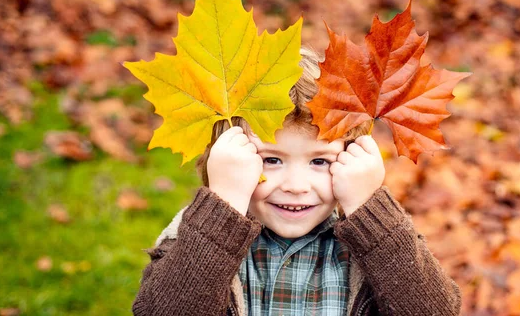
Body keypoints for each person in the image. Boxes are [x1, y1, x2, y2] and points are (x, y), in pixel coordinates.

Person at [132, 48, 462, 315]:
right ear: (227, 158)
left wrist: (368, 208)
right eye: (271, 159)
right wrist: (224, 205)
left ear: (353, 160)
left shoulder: (378, 241)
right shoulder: (197, 234)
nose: (295, 184)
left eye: (320, 161)